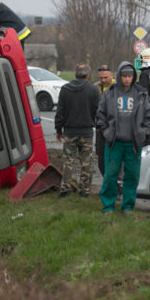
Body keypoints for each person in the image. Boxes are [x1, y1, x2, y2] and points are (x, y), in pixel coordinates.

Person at [95, 61, 150, 215]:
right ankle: (108, 205)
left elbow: (149, 117)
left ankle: (127, 206)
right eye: (124, 76)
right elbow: (100, 116)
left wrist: (143, 132)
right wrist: (107, 132)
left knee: (132, 175)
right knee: (110, 174)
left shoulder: (141, 93)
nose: (127, 79)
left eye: (129, 76)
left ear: (133, 76)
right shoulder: (110, 93)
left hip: (133, 143)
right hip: (114, 142)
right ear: (119, 76)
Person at [54, 63, 100, 198]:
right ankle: (84, 191)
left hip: (69, 131)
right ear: (87, 75)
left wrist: (58, 129)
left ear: (75, 74)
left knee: (68, 162)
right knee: (86, 163)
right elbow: (96, 111)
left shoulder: (65, 89)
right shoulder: (93, 90)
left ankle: (65, 189)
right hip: (86, 132)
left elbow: (60, 111)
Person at [94, 64, 115, 176]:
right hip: (100, 129)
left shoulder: (118, 87)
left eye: (105, 77)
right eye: (101, 78)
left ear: (112, 75)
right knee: (101, 160)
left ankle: (116, 187)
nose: (103, 80)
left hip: (114, 129)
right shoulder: (96, 88)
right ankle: (107, 186)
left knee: (114, 159)